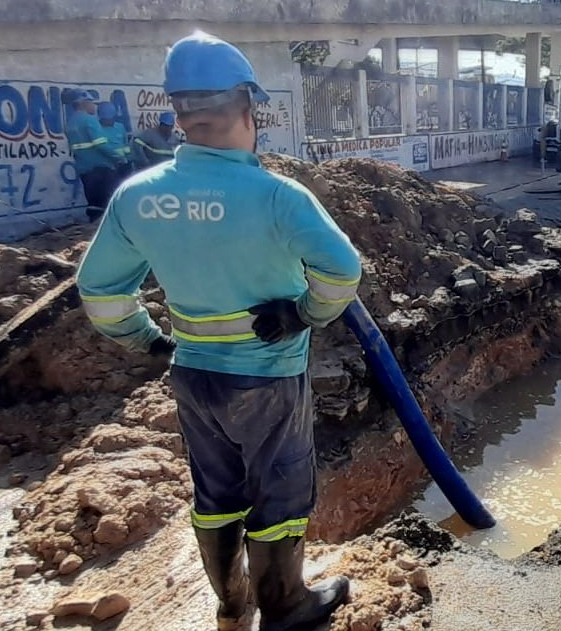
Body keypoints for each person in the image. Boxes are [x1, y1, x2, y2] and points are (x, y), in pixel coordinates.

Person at [76, 32, 360, 631]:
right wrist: (305, 314)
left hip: (193, 376)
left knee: (216, 495)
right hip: (268, 377)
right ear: (248, 106)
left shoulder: (138, 196)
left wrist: (148, 339)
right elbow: (342, 272)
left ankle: (233, 607)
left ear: (178, 113)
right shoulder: (278, 196)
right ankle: (284, 607)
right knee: (280, 494)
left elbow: (101, 294)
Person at [66, 91, 129, 222]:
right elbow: (101, 145)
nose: (94, 107)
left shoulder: (71, 122)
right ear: (84, 103)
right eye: (92, 103)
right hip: (100, 168)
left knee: (93, 203)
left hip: (83, 168)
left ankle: (92, 227)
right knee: (107, 201)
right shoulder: (89, 120)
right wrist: (119, 158)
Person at [97, 102, 135, 177]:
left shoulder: (120, 126)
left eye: (110, 118)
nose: (109, 121)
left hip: (123, 164)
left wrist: (129, 160)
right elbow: (101, 148)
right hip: (106, 167)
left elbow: (125, 145)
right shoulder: (96, 129)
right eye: (106, 119)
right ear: (100, 117)